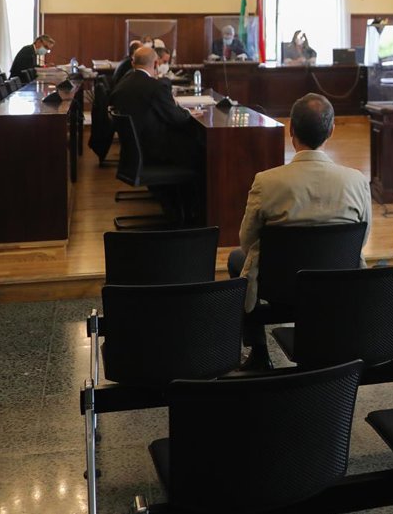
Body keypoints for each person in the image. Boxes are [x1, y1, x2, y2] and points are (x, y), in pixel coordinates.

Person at [227, 93, 372, 370]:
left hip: (279, 287)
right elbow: (361, 241)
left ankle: (259, 352)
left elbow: (247, 242)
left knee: (236, 259)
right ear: (331, 130)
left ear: (291, 130)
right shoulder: (356, 181)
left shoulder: (267, 182)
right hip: (337, 284)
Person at [108, 46, 204, 169]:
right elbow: (177, 118)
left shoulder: (122, 84)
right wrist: (187, 112)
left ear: (133, 63)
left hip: (132, 152)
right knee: (201, 144)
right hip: (154, 151)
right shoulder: (155, 87)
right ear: (155, 63)